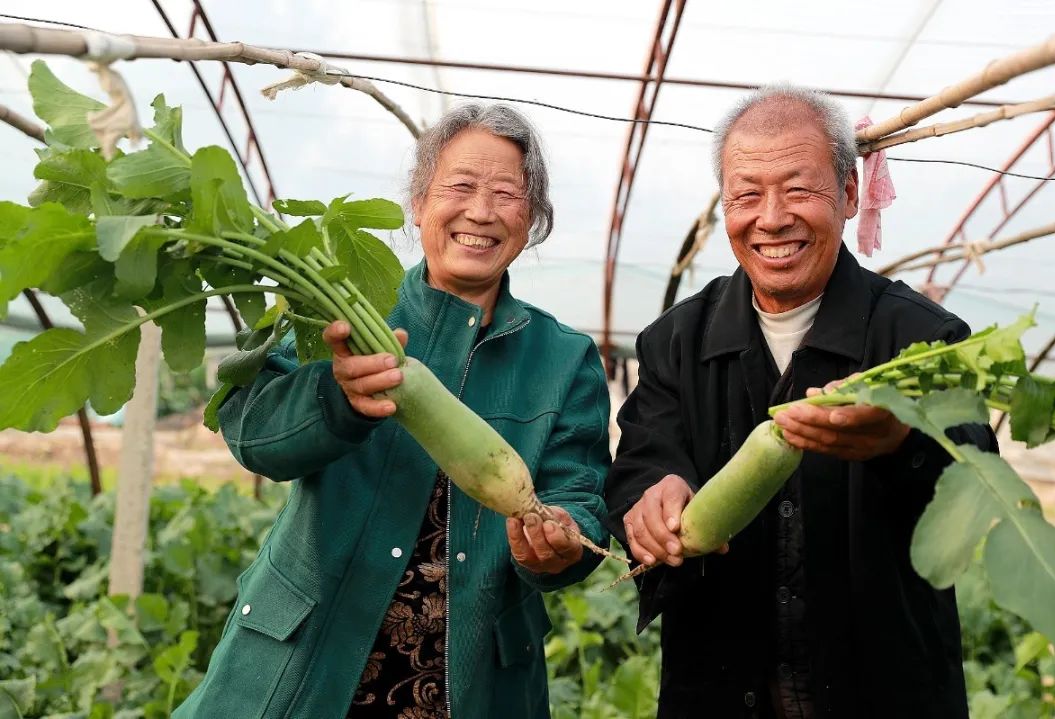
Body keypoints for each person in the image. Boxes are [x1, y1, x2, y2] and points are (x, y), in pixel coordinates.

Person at [175, 103, 611, 719]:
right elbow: (255, 435)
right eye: (460, 187)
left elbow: (582, 492)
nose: (481, 212)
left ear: (534, 217)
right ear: (419, 201)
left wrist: (566, 538)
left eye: (507, 193)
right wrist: (337, 397)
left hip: (471, 684)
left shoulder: (563, 358)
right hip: (307, 664)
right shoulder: (333, 309)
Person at [605, 86, 995, 718]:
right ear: (725, 205)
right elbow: (644, 457)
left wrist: (903, 441)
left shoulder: (922, 340)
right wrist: (650, 497)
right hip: (717, 693)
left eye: (799, 189)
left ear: (848, 193)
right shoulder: (676, 339)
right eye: (747, 194)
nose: (773, 216)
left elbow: (977, 478)